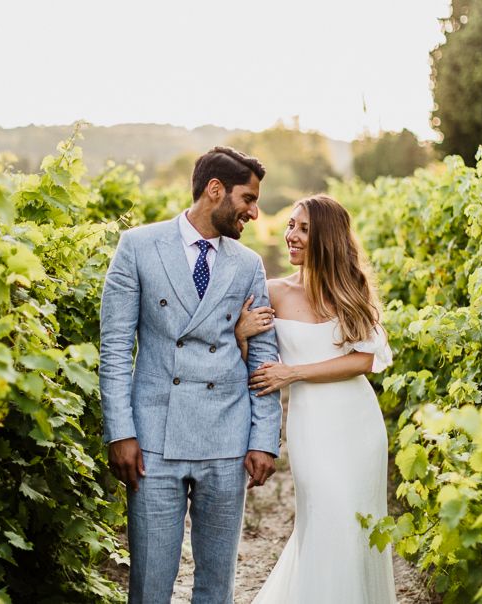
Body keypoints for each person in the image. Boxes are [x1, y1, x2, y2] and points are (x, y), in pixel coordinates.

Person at [99, 146, 282, 604]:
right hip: (153, 439)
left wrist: (263, 438)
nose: (254, 213)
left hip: (226, 436)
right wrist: (120, 431)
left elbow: (263, 356)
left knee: (216, 586)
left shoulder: (248, 265)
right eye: (248, 199)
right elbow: (116, 348)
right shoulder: (138, 247)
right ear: (215, 191)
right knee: (150, 583)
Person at [235, 194, 398, 603]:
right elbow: (242, 359)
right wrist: (239, 333)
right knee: (325, 520)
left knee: (355, 526)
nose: (291, 235)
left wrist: (294, 373)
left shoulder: (351, 289)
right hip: (311, 426)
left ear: (326, 236)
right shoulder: (272, 291)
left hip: (357, 425)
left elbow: (364, 361)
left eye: (303, 228)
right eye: (291, 225)